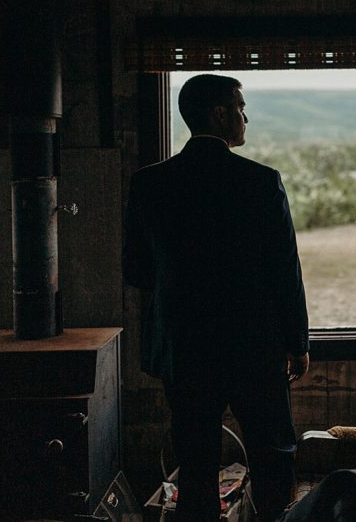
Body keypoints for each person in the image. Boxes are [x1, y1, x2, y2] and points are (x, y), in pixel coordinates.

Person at [123, 74, 309, 521]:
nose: (245, 117)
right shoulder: (261, 182)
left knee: (196, 460)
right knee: (271, 454)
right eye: (241, 108)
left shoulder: (150, 183)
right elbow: (285, 269)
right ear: (220, 113)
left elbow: (136, 271)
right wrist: (297, 342)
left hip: (184, 345)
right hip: (254, 343)